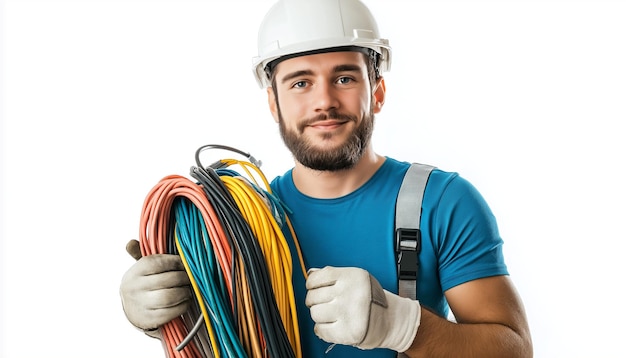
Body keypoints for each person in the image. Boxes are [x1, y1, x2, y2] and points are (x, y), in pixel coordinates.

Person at [120, 0, 533, 356]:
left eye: (344, 78)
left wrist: (404, 328)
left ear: (377, 91)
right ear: (273, 103)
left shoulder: (442, 202)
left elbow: (514, 350)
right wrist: (156, 316)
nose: (324, 102)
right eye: (300, 83)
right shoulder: (238, 220)